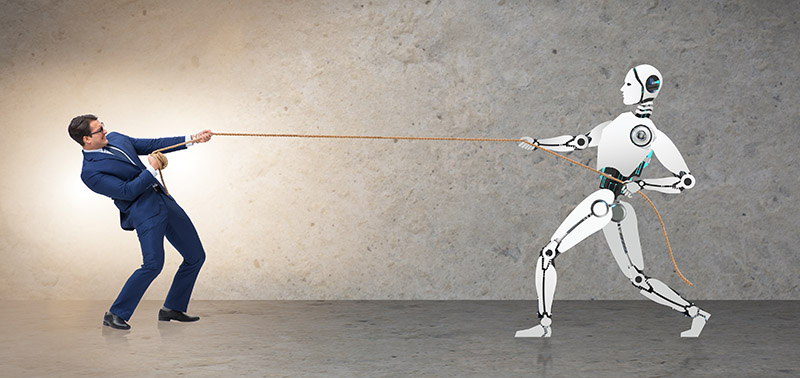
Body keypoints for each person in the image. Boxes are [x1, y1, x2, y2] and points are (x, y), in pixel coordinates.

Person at [514, 65, 710, 338]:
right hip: (617, 209)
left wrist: (643, 184)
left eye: (628, 85)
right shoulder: (616, 125)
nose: (621, 89)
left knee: (548, 254)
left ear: (645, 91)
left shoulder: (650, 134)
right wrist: (537, 142)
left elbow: (685, 180)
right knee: (637, 278)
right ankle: (696, 314)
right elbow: (576, 142)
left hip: (605, 201)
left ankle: (545, 325)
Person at [68, 114, 212, 330]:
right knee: (153, 264)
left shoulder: (117, 138)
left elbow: (152, 144)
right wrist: (151, 169)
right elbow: (126, 192)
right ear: (87, 139)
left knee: (195, 256)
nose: (105, 131)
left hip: (164, 201)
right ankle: (115, 313)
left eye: (103, 126)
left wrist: (192, 138)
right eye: (99, 130)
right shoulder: (90, 172)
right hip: (144, 212)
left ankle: (172, 308)